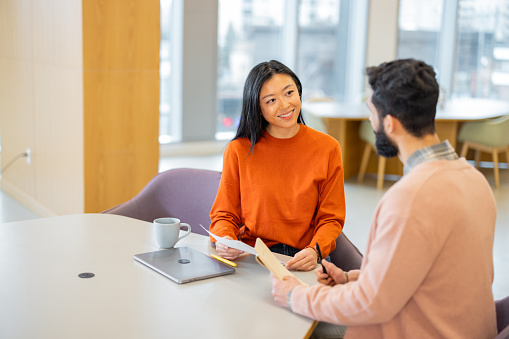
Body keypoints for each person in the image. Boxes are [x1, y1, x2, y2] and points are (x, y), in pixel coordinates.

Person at [271, 59, 498, 338]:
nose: (370, 120)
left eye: (372, 112)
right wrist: (351, 278)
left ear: (389, 124)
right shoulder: (475, 179)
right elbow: (429, 273)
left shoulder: (411, 198)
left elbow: (371, 303)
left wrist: (296, 295)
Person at [209, 60, 346, 271]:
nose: (284, 105)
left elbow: (331, 218)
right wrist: (225, 240)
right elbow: (224, 214)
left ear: (299, 92)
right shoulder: (238, 150)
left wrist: (315, 250)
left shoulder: (328, 148)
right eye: (271, 100)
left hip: (306, 256)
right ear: (258, 108)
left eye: (289, 93)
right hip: (253, 254)